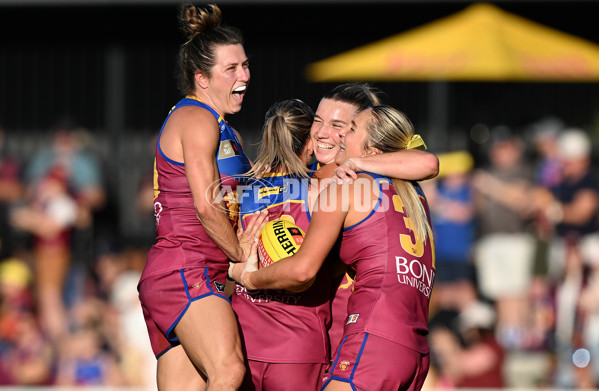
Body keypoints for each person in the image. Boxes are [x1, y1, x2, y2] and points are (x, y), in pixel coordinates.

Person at [231, 105, 435, 390]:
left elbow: (302, 271)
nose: (338, 136)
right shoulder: (413, 191)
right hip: (415, 347)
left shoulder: (344, 187)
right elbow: (428, 162)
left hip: (372, 337)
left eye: (349, 129)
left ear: (373, 151)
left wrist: (246, 276)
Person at [137, 4, 267, 390]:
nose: (244, 76)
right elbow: (207, 205)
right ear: (202, 78)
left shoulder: (228, 131)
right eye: (231, 69)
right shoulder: (196, 119)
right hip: (185, 268)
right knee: (229, 371)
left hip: (194, 271)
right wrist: (242, 257)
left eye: (245, 65)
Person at [308, 83, 438, 359]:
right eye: (317, 120)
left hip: (354, 335)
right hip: (314, 332)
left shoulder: (367, 179)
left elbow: (428, 162)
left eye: (340, 125)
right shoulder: (306, 175)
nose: (322, 133)